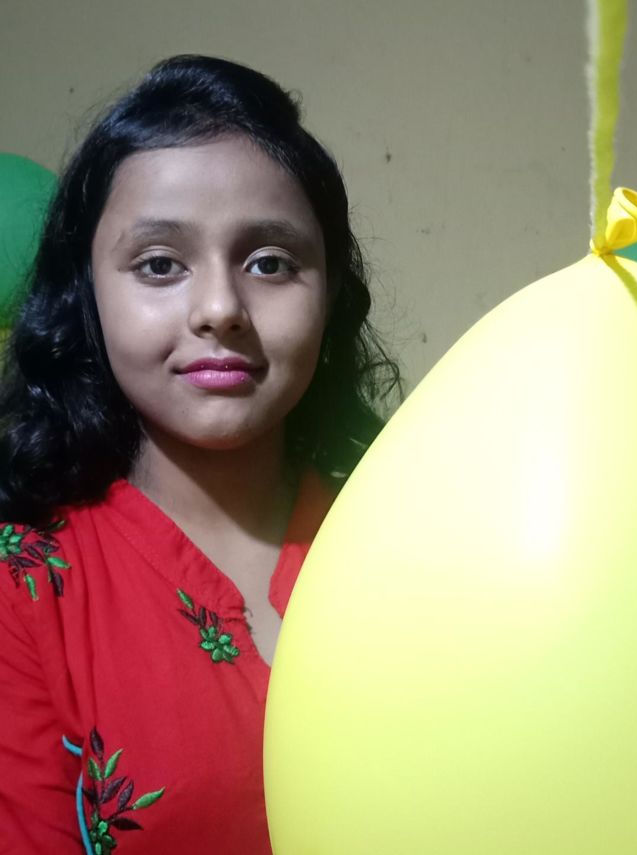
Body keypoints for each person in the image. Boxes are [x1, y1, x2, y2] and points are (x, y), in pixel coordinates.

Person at [0, 55, 401, 854]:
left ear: (329, 293)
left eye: (269, 262)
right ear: (90, 296)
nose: (219, 308)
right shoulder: (23, 589)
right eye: (159, 264)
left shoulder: (411, 541)